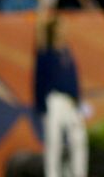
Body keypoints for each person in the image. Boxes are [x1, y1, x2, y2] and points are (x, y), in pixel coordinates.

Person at [33, 9, 88, 177]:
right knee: (53, 142)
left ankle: (78, 173)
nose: (64, 31)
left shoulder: (66, 51)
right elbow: (39, 79)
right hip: (53, 100)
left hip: (70, 101)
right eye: (60, 27)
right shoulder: (45, 52)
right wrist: (41, 105)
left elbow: (73, 79)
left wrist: (77, 99)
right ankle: (52, 174)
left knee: (78, 139)